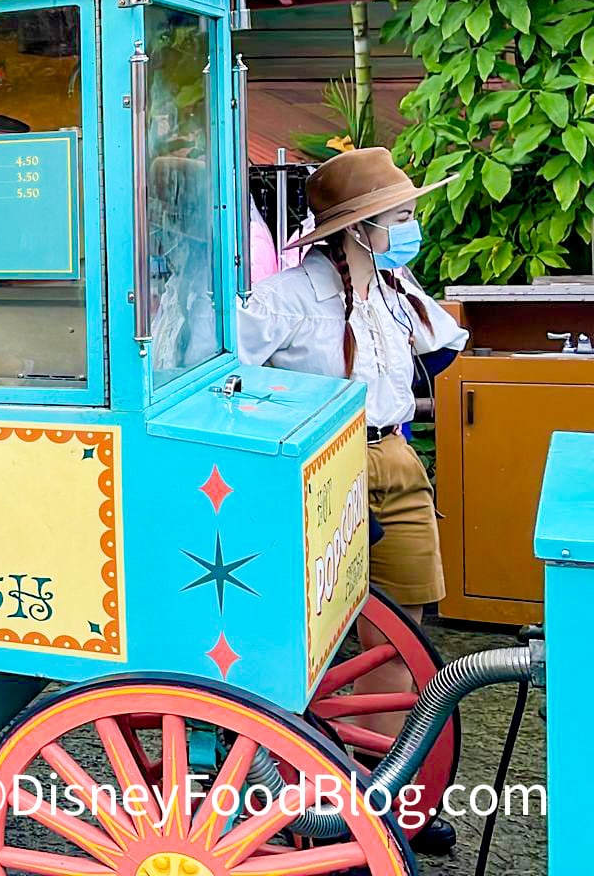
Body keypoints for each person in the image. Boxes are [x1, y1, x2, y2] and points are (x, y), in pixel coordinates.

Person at [237, 146, 468, 852]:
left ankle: (390, 793)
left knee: (403, 628)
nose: (410, 226)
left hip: (394, 453)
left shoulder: (398, 285)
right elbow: (228, 375)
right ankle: (328, 798)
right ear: (357, 227)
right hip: (324, 462)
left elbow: (445, 346)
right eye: (399, 217)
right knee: (331, 639)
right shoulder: (286, 296)